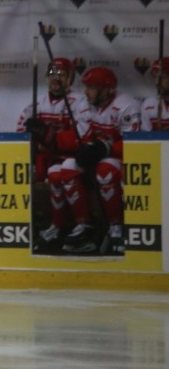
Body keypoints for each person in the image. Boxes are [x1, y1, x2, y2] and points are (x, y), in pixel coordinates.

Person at [49, 67, 140, 254]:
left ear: (106, 90)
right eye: (86, 87)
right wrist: (47, 136)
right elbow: (81, 137)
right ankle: (84, 225)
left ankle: (117, 226)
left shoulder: (125, 106)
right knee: (66, 168)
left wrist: (107, 147)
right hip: (102, 156)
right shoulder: (86, 105)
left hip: (122, 159)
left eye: (92, 87)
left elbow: (136, 144)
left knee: (105, 170)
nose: (86, 91)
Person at [15, 58, 89, 248]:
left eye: (61, 75)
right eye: (52, 75)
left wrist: (49, 136)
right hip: (52, 159)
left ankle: (84, 224)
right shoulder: (37, 102)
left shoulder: (79, 101)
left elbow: (83, 135)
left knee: (64, 170)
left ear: (71, 78)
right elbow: (20, 130)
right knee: (53, 174)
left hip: (77, 158)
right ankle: (57, 225)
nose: (56, 79)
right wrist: (32, 137)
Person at [141, 58, 169, 131]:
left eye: (162, 77)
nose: (157, 82)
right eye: (155, 77)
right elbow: (146, 139)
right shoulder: (148, 104)